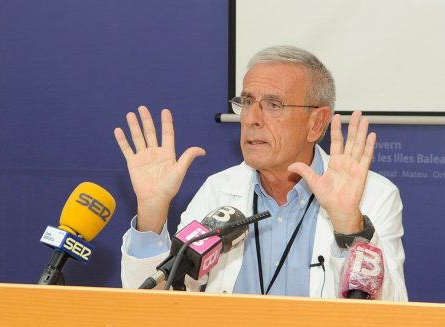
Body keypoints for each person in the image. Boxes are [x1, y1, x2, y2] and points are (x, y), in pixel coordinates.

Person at [114, 45, 407, 300]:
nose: (252, 119)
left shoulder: (373, 195)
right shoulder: (218, 190)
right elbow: (155, 307)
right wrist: (152, 212)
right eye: (247, 102)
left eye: (273, 105)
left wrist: (349, 226)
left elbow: (389, 316)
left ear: (316, 124)